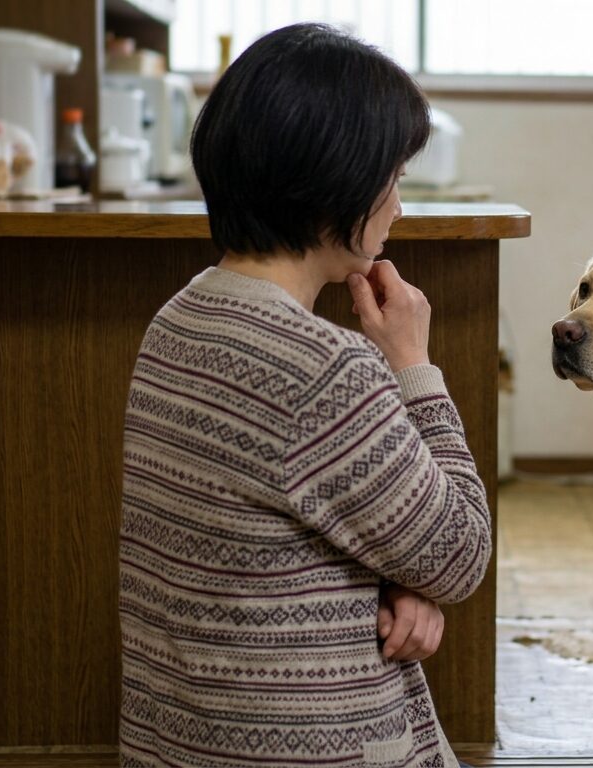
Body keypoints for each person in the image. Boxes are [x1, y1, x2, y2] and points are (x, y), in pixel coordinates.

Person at [117, 23, 491, 768]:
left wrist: (397, 576)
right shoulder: (327, 369)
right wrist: (414, 365)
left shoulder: (180, 317)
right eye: (394, 178)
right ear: (337, 183)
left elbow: (294, 521)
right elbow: (458, 553)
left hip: (179, 741)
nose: (399, 208)